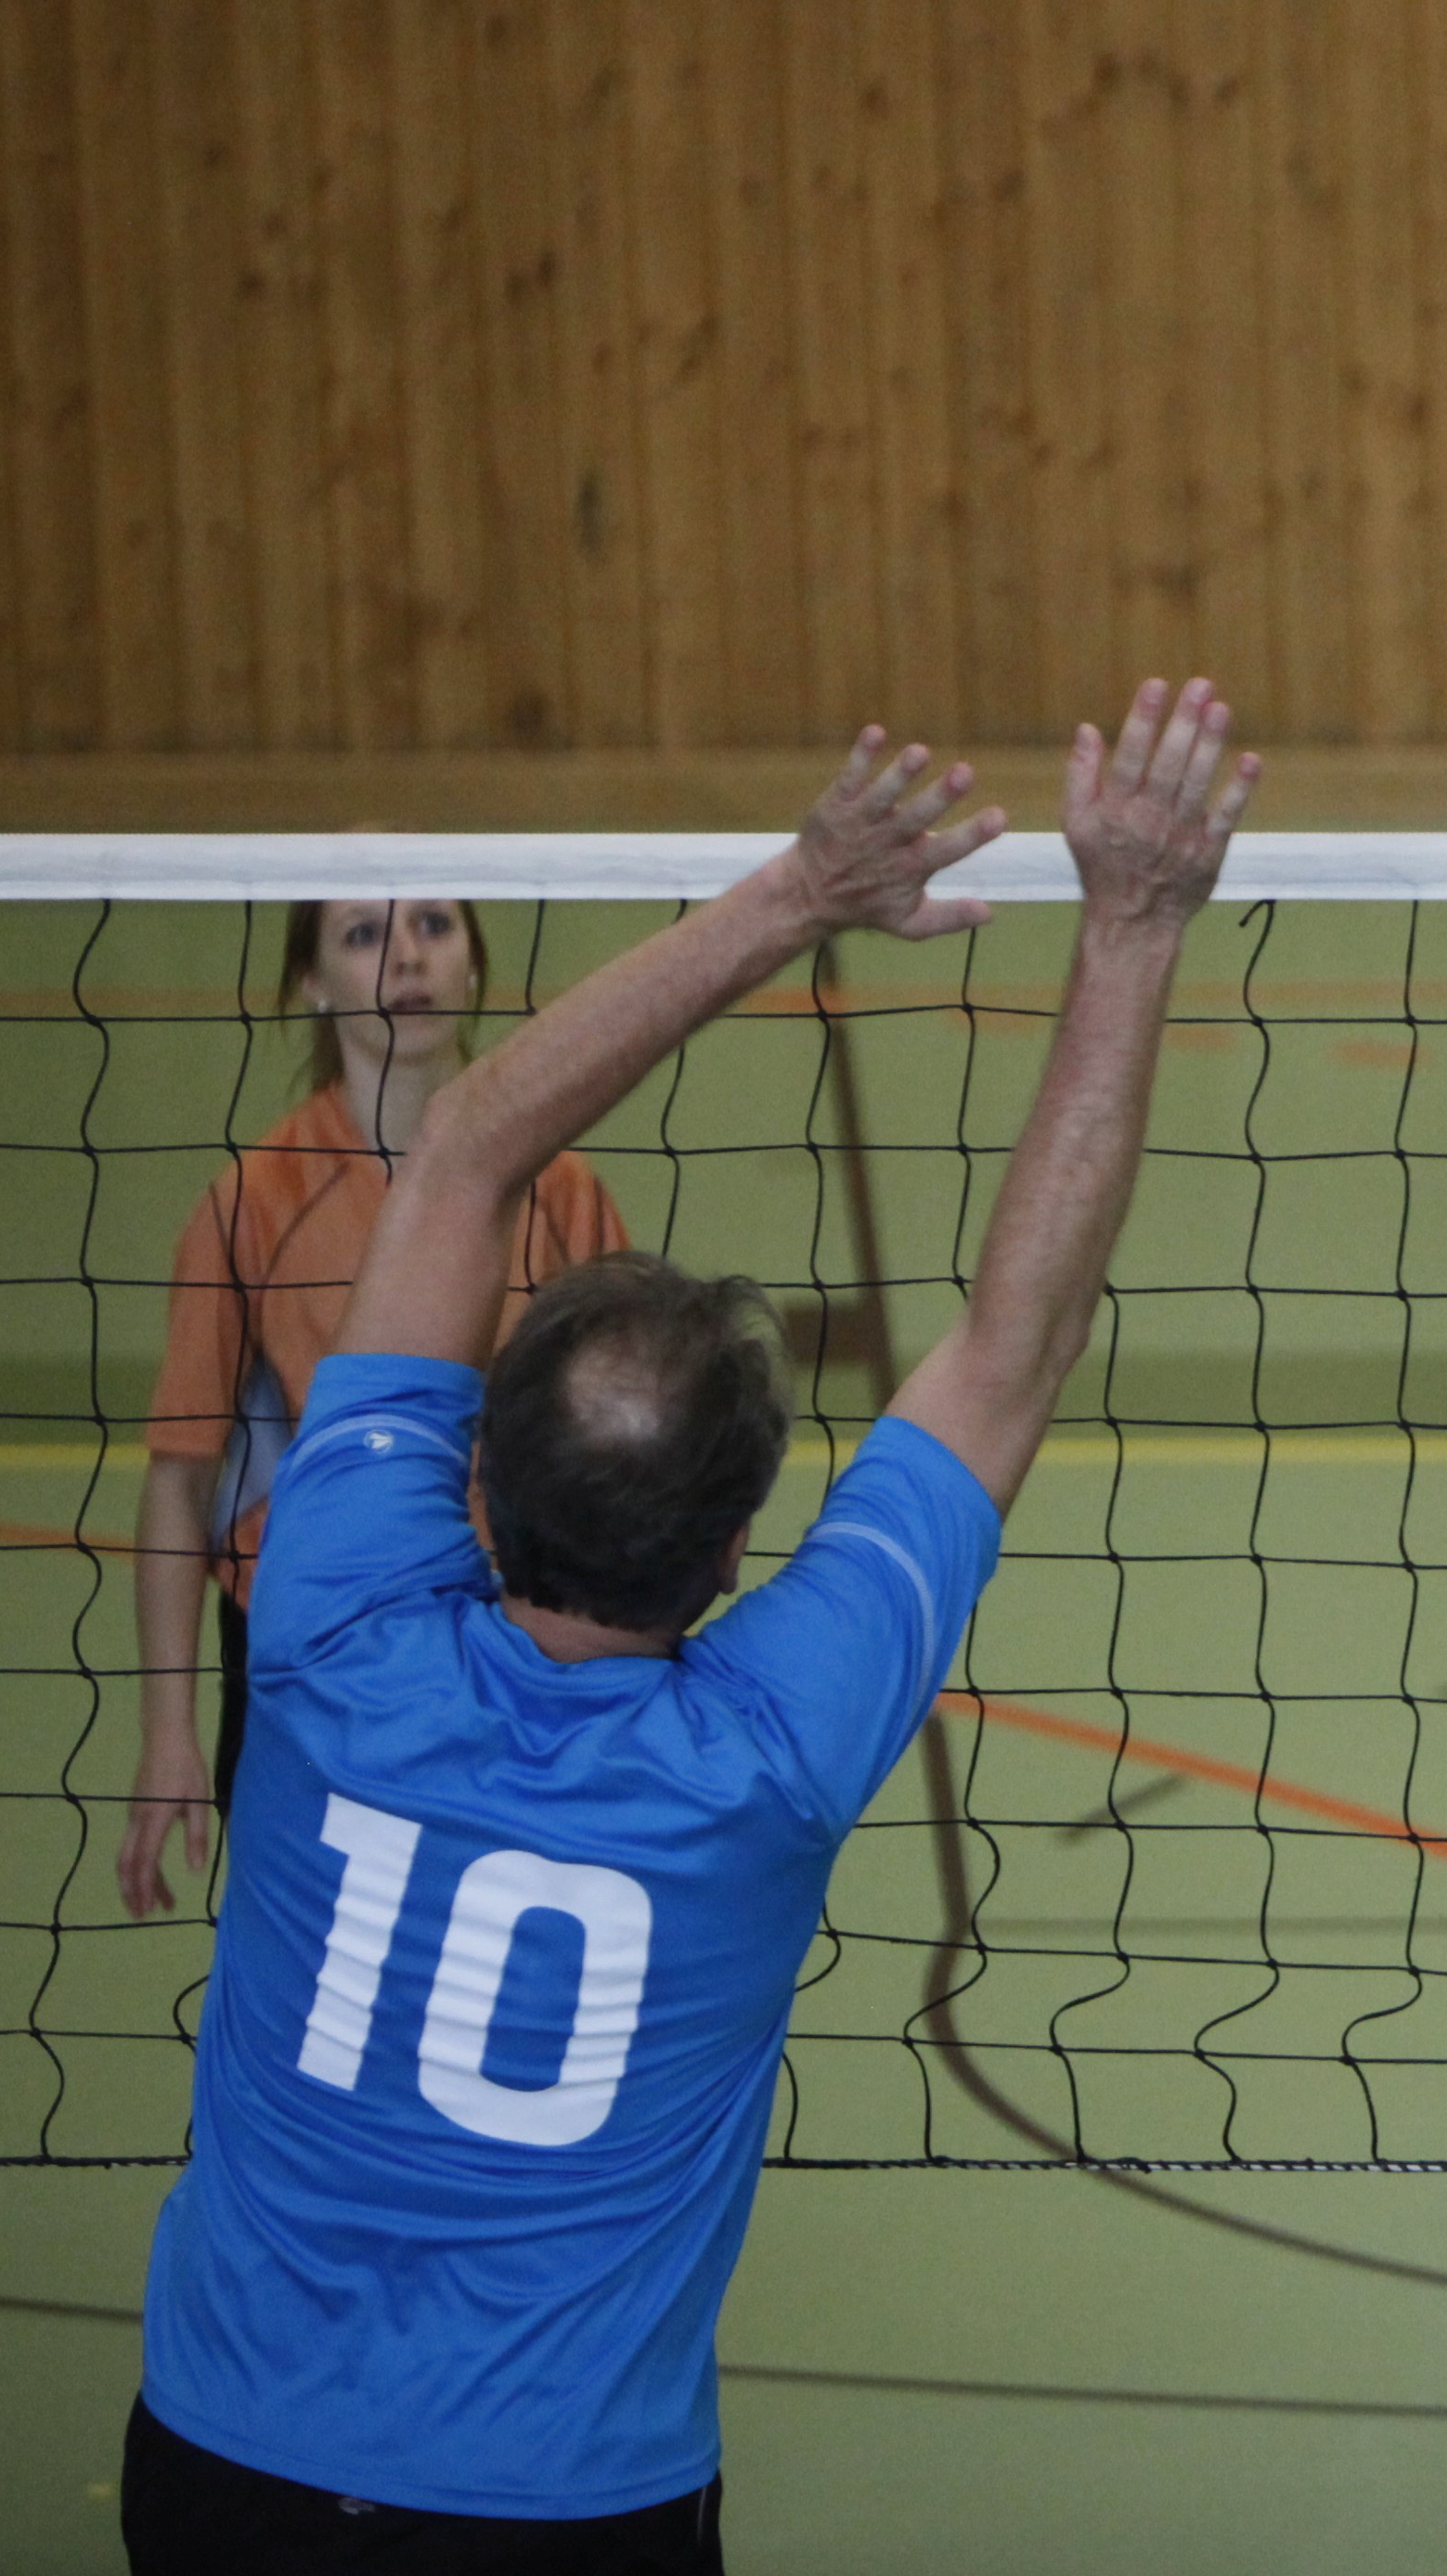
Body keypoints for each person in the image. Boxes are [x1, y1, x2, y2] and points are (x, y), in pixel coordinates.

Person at [120, 679, 1260, 2572]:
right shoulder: (767, 1756)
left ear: (473, 1473)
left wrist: (801, 887)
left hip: (224, 2468)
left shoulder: (327, 1621)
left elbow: (466, 1147)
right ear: (736, 1549)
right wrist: (1133, 923)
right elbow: (1010, 1350)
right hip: (569, 2509)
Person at [119, 896, 627, 1920]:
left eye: (434, 924)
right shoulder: (249, 1206)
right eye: (362, 934)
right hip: (310, 1664)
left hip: (512, 1654)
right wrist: (168, 1732)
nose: (406, 957)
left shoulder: (564, 1191)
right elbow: (181, 1484)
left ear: (474, 961)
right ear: (312, 982)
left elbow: (617, 1465)